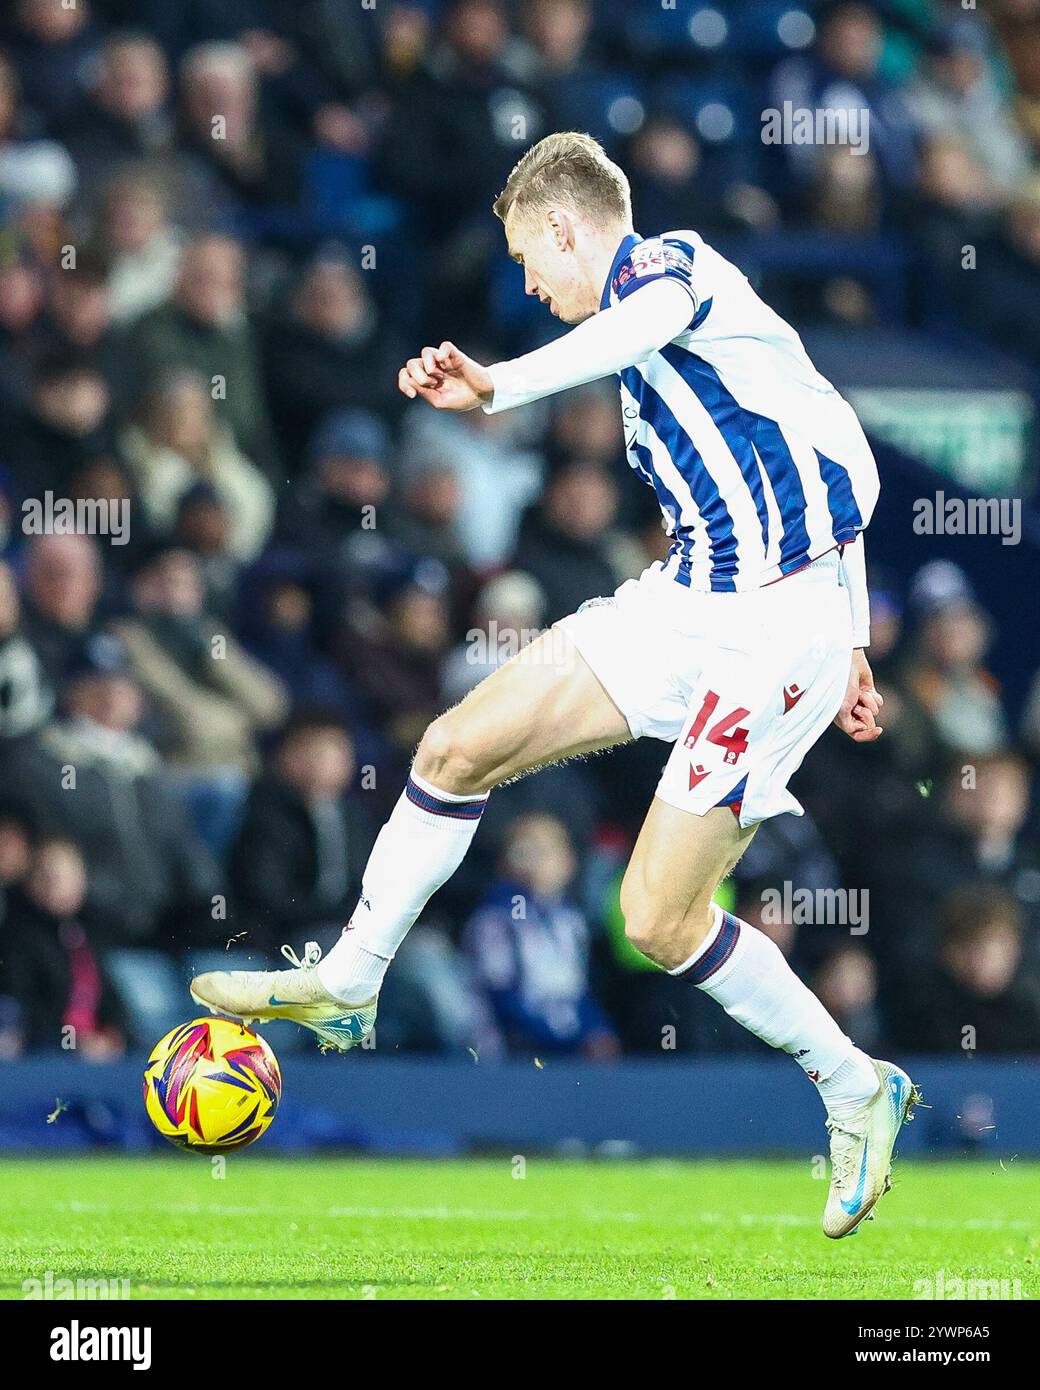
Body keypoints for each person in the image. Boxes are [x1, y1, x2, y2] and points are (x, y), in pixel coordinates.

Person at [192, 130, 916, 1240]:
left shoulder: (673, 274)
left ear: (569, 228)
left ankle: (855, 1086)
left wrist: (498, 386)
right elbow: (828, 438)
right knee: (450, 747)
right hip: (687, 600)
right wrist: (863, 627)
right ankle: (349, 979)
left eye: (533, 263)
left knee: (655, 919)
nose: (530, 287)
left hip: (776, 631)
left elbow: (637, 326)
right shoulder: (673, 335)